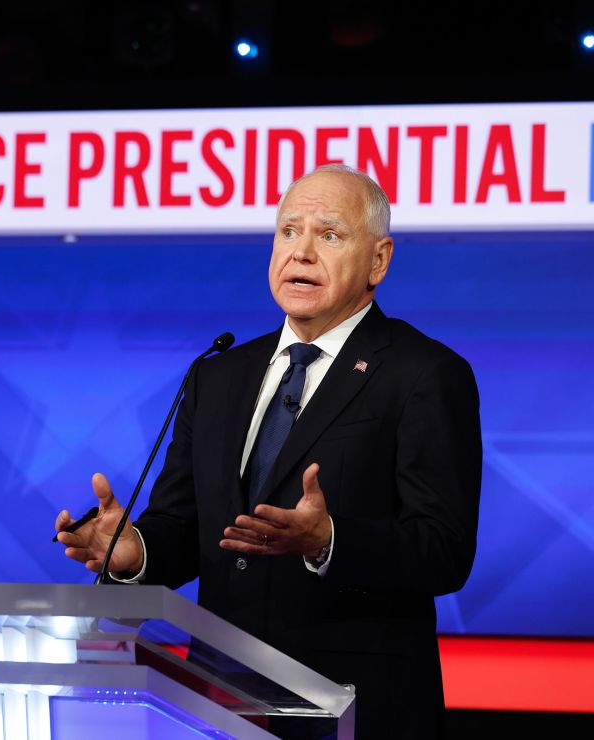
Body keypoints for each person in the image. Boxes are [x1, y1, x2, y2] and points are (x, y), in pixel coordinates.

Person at [56, 164, 482, 738]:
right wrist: (134, 551)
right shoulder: (219, 375)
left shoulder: (424, 374)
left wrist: (328, 541)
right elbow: (188, 527)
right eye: (288, 231)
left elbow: (444, 550)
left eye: (329, 235)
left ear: (379, 260)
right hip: (218, 702)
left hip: (356, 708)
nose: (301, 252)